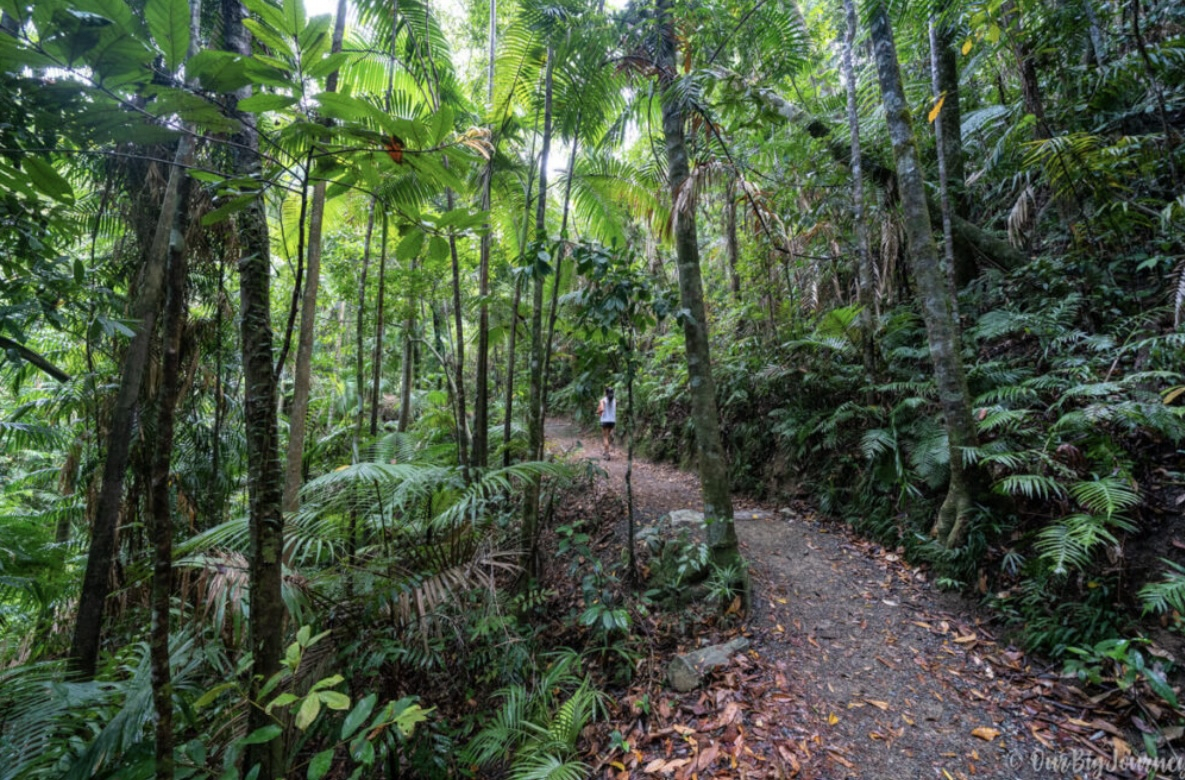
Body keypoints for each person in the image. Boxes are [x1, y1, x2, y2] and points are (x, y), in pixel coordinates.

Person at [597, 387, 616, 460]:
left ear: (606, 393)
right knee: (607, 436)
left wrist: (598, 412)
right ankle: (606, 450)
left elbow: (601, 409)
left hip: (605, 420)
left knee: (605, 437)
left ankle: (607, 454)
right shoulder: (615, 400)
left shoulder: (603, 400)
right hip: (612, 421)